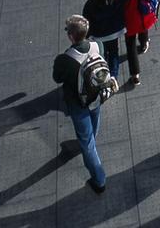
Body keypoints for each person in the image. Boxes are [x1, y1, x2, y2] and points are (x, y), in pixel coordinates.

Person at [52, 15, 108, 194]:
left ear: (70, 36)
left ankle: (99, 180)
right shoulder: (97, 45)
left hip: (78, 103)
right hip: (96, 96)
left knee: (87, 143)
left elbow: (57, 78)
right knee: (94, 118)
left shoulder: (65, 59)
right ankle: (93, 136)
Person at [83, 0, 125, 75]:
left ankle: (104, 74)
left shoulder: (91, 3)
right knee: (114, 53)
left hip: (99, 36)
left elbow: (87, 21)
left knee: (102, 54)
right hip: (114, 33)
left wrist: (87, 36)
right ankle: (114, 76)